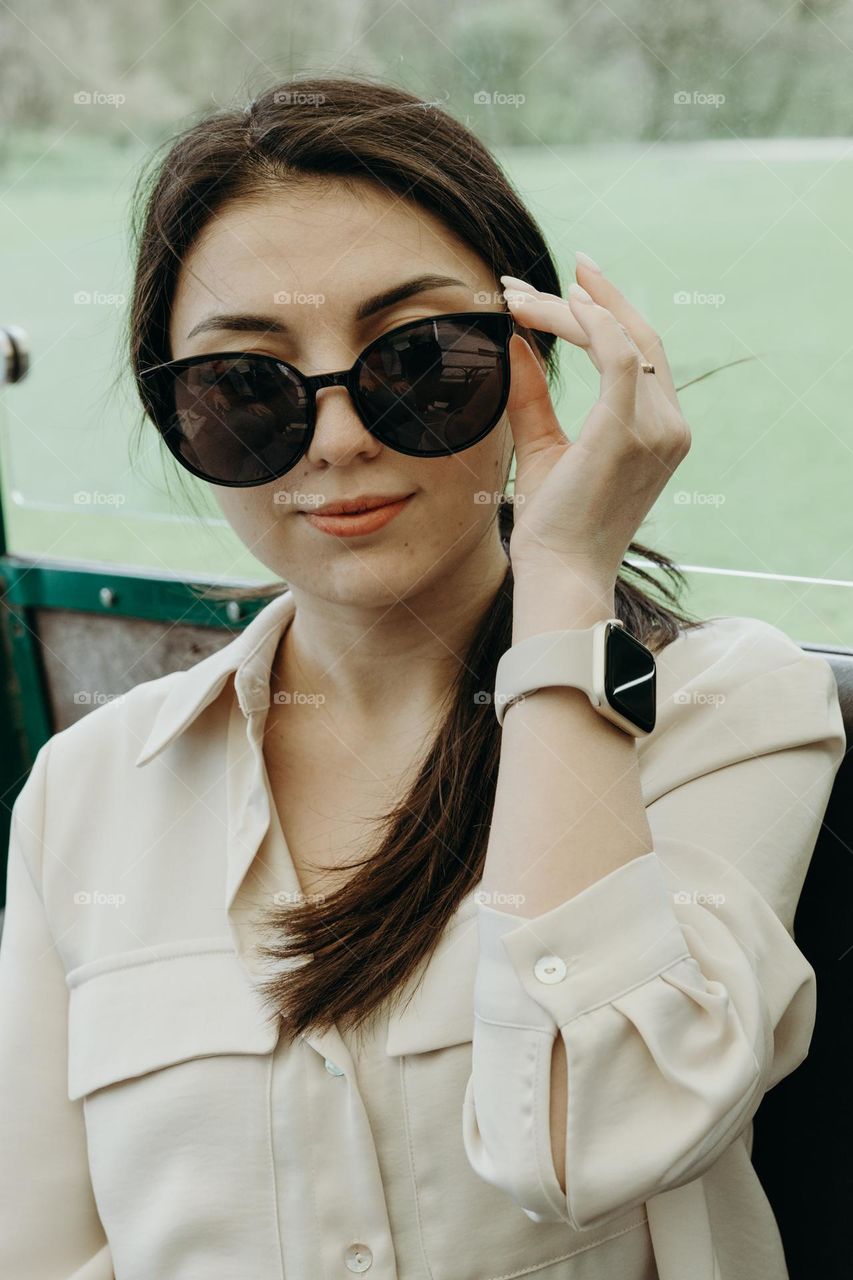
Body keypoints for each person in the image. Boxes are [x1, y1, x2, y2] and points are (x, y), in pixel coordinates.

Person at [0, 75, 845, 1280]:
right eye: (245, 386)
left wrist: (563, 585)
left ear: (536, 361)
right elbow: (40, 1249)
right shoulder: (84, 790)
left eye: (420, 360)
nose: (340, 436)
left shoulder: (724, 713)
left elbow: (583, 1137)